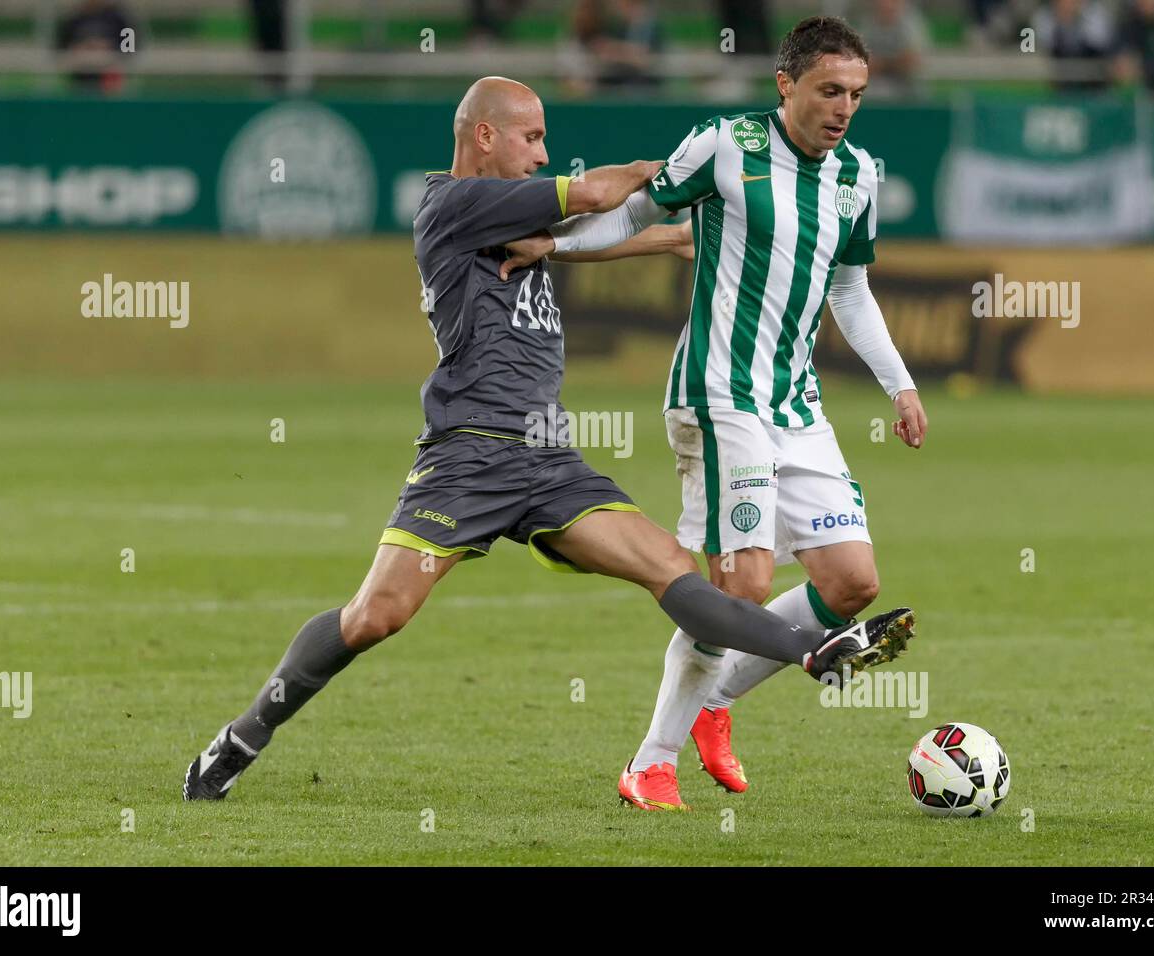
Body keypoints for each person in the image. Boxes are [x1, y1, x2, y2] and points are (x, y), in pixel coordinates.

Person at [182, 76, 917, 802]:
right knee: (377, 616)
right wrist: (674, 168)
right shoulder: (452, 203)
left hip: (548, 459)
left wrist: (676, 238)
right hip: (467, 454)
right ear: (485, 136)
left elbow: (579, 239)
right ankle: (244, 736)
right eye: (532, 138)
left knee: (670, 566)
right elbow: (596, 197)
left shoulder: (512, 221)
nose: (542, 155)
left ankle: (814, 650)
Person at [498, 16, 927, 811]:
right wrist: (553, 247)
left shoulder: (856, 175)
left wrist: (899, 385)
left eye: (857, 95)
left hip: (795, 404)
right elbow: (635, 215)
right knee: (743, 585)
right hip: (717, 394)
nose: (843, 108)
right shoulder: (726, 145)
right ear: (785, 85)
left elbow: (850, 289)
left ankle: (715, 701)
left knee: (852, 580)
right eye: (830, 90)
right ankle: (650, 762)